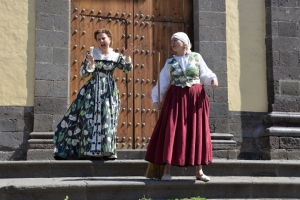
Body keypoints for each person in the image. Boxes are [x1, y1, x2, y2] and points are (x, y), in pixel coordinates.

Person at [145, 32, 218, 182]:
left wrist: (212, 78)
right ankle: (166, 170)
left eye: (175, 41)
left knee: (196, 131)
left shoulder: (196, 57)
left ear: (184, 43)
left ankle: (199, 171)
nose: (172, 43)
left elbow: (204, 74)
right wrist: (156, 99)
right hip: (176, 98)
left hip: (195, 98)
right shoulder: (170, 62)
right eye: (171, 41)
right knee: (171, 130)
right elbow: (163, 81)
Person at [53, 29, 134, 160]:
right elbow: (84, 73)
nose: (101, 41)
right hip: (92, 91)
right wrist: (90, 64)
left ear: (110, 39)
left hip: (109, 92)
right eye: (99, 39)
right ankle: (89, 150)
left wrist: (128, 56)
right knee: (89, 119)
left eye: (103, 38)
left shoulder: (116, 56)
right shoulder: (91, 54)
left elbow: (127, 69)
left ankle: (107, 151)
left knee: (108, 118)